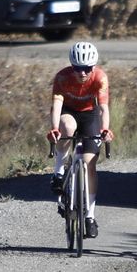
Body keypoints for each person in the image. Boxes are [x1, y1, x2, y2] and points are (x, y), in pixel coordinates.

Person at [49, 41, 112, 238]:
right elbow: (57, 105)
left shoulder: (100, 78)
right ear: (71, 66)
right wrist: (54, 128)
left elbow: (103, 108)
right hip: (68, 112)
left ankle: (90, 217)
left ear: (93, 67)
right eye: (77, 68)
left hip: (89, 114)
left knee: (89, 163)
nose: (82, 73)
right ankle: (59, 171)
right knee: (67, 127)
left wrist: (104, 129)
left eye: (87, 69)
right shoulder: (62, 77)